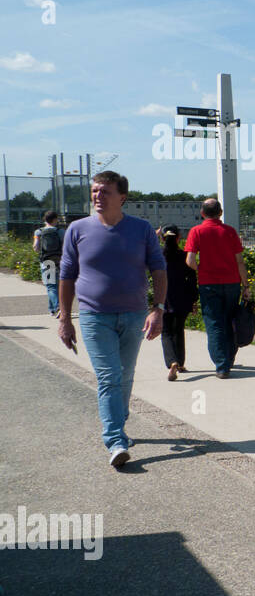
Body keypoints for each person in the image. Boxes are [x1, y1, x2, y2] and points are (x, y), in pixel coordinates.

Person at [57, 171, 166, 468]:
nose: (97, 196)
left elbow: (158, 268)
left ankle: (119, 422)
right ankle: (115, 440)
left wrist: (158, 308)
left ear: (122, 197)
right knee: (108, 376)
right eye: (94, 191)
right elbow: (66, 275)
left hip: (133, 315)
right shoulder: (77, 229)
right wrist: (65, 317)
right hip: (94, 316)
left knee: (126, 376)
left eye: (104, 191)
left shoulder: (141, 229)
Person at [185, 198, 249, 378]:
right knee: (230, 321)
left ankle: (221, 366)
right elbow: (240, 261)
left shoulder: (196, 231)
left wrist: (203, 270)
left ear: (202, 213)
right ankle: (229, 358)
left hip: (208, 284)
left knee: (214, 325)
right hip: (231, 283)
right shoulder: (229, 232)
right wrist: (246, 285)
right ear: (220, 213)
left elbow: (189, 260)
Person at [158, 225, 198, 381]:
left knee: (166, 332)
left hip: (163, 297)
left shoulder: (158, 255)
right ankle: (180, 363)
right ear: (179, 238)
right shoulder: (184, 256)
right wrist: (194, 299)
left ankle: (172, 362)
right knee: (178, 330)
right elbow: (192, 279)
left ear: (162, 238)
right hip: (182, 298)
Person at [33, 210, 63, 316]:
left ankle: (57, 307)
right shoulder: (60, 231)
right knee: (57, 285)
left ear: (44, 220)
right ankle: (52, 309)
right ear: (55, 219)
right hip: (59, 261)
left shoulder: (38, 232)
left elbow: (35, 247)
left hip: (46, 261)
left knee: (50, 286)